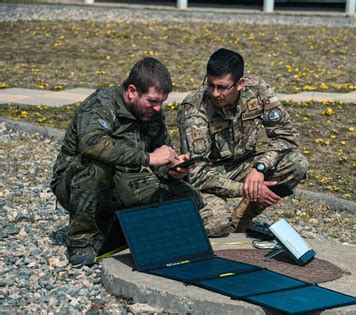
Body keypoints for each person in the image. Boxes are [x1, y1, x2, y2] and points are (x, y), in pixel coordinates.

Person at [51, 57, 202, 267]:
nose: (158, 108)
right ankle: (81, 241)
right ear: (132, 91)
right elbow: (92, 144)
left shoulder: (152, 113)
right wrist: (149, 158)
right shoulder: (101, 104)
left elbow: (160, 152)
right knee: (95, 165)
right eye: (152, 101)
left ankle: (125, 229)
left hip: (125, 180)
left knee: (189, 198)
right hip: (77, 183)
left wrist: (172, 167)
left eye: (162, 102)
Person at [177, 48, 308, 237]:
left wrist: (261, 167)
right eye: (210, 85)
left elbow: (286, 136)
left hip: (243, 166)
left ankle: (241, 221)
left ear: (240, 84)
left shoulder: (258, 91)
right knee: (217, 224)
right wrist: (246, 189)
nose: (215, 93)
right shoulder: (194, 109)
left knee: (297, 163)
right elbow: (196, 173)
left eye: (222, 87)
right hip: (208, 179)